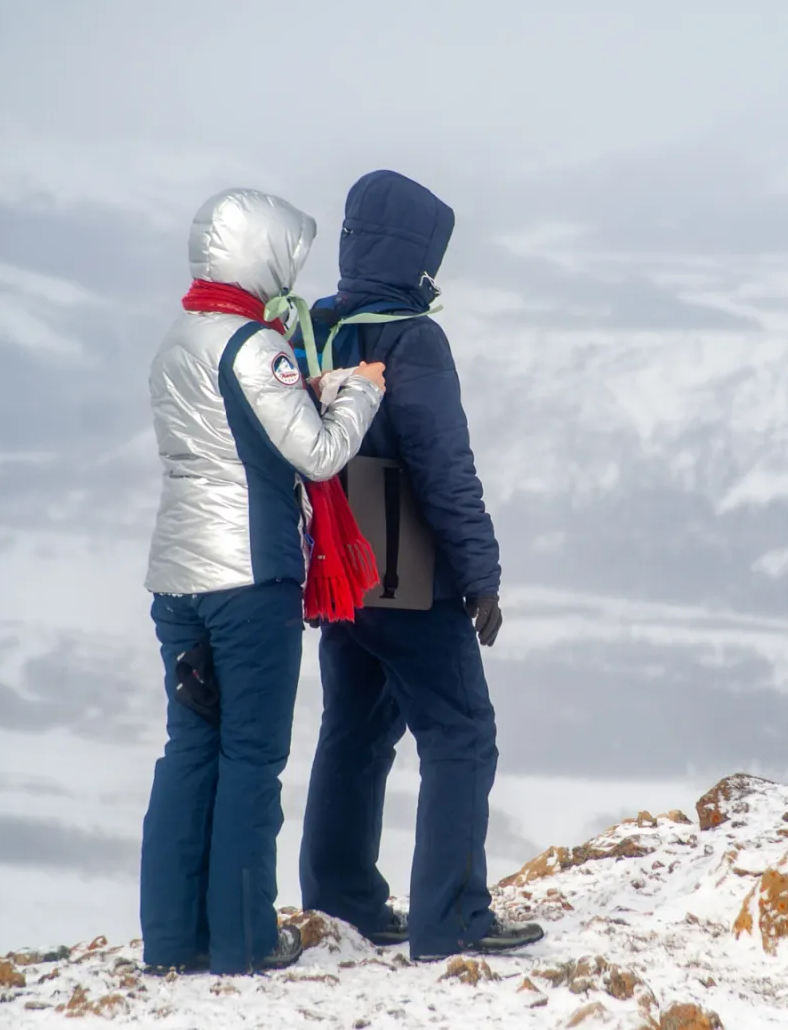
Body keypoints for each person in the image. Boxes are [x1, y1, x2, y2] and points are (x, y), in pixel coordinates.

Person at [141, 188, 387, 974]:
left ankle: (176, 939)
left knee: (190, 749)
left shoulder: (178, 340)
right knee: (252, 757)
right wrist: (360, 392)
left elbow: (227, 438)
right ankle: (246, 940)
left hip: (177, 578)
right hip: (249, 578)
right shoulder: (256, 347)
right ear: (259, 256)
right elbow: (317, 454)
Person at [297, 170, 541, 960]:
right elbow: (443, 466)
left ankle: (341, 903)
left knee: (354, 736)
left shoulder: (322, 327)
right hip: (409, 577)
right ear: (412, 253)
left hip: (338, 569)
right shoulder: (412, 338)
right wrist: (482, 574)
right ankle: (452, 917)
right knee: (462, 730)